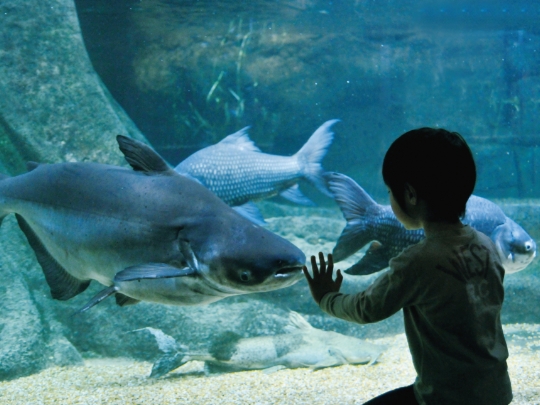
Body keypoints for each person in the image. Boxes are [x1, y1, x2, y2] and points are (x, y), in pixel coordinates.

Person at [303, 128, 512, 405]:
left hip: (445, 398)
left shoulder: (418, 261)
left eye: (390, 191)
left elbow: (368, 309)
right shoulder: (487, 246)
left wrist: (327, 298)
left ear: (410, 195)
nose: (390, 199)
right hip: (495, 391)